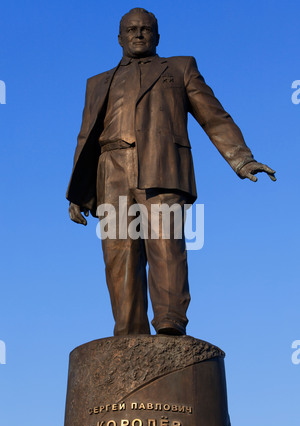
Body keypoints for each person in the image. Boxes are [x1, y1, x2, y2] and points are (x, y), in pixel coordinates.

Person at [66, 8, 276, 336]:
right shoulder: (97, 83)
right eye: (131, 30)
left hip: (161, 166)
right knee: (118, 255)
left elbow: (214, 117)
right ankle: (128, 330)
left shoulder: (179, 69)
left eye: (145, 29)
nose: (138, 34)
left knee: (165, 245)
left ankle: (170, 321)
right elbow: (86, 137)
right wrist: (79, 193)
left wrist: (242, 159)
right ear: (119, 38)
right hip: (112, 170)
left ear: (157, 37)